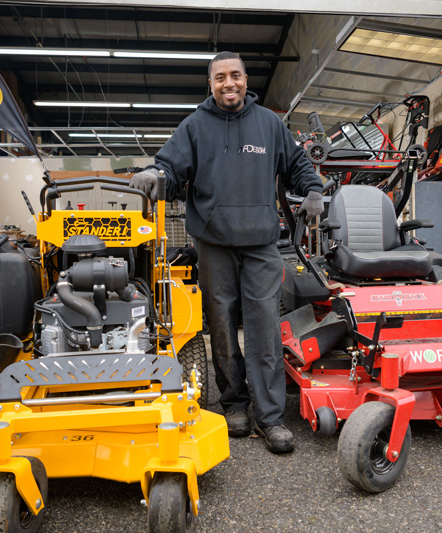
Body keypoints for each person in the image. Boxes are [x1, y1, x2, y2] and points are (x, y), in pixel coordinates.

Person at [130, 51, 323, 453]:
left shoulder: (269, 124)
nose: (229, 83)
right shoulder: (195, 126)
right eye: (220, 78)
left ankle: (270, 417)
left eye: (235, 75)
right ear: (211, 83)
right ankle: (234, 404)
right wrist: (154, 173)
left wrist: (314, 190)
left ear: (246, 78)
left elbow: (298, 164)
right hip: (214, 245)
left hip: (261, 245)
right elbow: (169, 166)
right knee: (220, 327)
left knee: (264, 329)